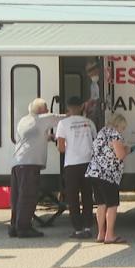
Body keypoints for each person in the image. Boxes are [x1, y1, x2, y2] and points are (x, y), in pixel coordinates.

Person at [10, 98, 64, 238]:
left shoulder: (24, 121)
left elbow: (32, 138)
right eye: (46, 109)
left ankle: (14, 226)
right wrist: (76, 114)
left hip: (17, 163)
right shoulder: (42, 119)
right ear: (41, 110)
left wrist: (49, 137)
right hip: (30, 164)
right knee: (28, 196)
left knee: (17, 197)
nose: (48, 111)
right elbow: (61, 119)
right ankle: (24, 228)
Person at [56, 96, 98, 239]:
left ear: (68, 108)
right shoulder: (89, 122)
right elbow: (96, 142)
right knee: (87, 196)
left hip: (71, 164)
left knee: (73, 198)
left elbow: (61, 148)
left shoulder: (63, 123)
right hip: (87, 162)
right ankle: (88, 227)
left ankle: (78, 229)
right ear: (82, 107)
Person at [86, 114, 130, 244]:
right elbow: (120, 155)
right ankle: (110, 235)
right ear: (118, 125)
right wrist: (127, 149)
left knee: (101, 204)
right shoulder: (115, 134)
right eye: (122, 127)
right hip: (108, 175)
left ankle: (101, 233)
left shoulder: (102, 132)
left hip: (94, 173)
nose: (122, 130)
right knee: (112, 205)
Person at [83, 61, 103, 127]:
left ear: (97, 71)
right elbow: (93, 97)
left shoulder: (104, 82)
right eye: (90, 76)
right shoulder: (93, 84)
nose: (92, 77)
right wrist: (87, 103)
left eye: (93, 74)